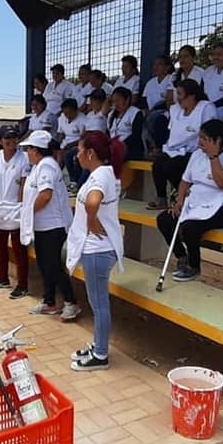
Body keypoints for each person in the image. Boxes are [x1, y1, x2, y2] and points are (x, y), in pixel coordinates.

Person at [156, 120, 223, 282]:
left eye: (205, 139)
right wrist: (179, 200)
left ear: (218, 140)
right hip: (196, 203)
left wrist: (213, 156)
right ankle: (182, 257)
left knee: (190, 227)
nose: (200, 143)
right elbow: (185, 181)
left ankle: (194, 266)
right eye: (200, 138)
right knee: (164, 219)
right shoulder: (197, 155)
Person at [66, 131, 126, 372]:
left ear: (90, 153)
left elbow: (92, 202)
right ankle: (97, 345)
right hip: (98, 248)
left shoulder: (101, 175)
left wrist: (91, 221)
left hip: (97, 250)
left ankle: (101, 355)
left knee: (99, 304)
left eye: (80, 150)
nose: (77, 155)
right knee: (97, 302)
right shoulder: (102, 173)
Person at [19, 130, 82, 320]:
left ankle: (71, 303)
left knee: (53, 266)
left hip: (53, 226)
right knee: (44, 265)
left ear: (36, 150)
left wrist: (27, 212)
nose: (27, 153)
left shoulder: (46, 166)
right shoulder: (38, 166)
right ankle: (49, 301)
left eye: (28, 149)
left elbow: (46, 195)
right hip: (42, 226)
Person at [148, 79, 217, 210]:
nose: (177, 98)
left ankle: (183, 194)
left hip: (196, 151)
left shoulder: (206, 108)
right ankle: (162, 199)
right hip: (174, 149)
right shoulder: (175, 110)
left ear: (192, 96)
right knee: (157, 165)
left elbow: (209, 132)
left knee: (171, 166)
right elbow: (172, 133)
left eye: (180, 94)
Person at [0, 125, 31, 298]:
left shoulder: (24, 158)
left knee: (19, 249)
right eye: (7, 138)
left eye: (14, 137)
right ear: (0, 141)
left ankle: (22, 284)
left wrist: (19, 206)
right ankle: (2, 277)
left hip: (16, 208)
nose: (11, 141)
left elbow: (23, 185)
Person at [143, 55, 175, 156]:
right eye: (155, 65)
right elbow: (144, 101)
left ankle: (159, 148)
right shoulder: (150, 83)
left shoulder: (171, 79)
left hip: (166, 110)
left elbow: (169, 100)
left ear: (167, 67)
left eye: (159, 64)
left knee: (158, 119)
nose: (155, 67)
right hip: (150, 112)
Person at [107, 87, 145, 161]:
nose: (116, 104)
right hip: (114, 148)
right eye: (114, 101)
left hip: (130, 149)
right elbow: (108, 132)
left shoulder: (135, 113)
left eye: (118, 100)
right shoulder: (111, 114)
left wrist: (121, 145)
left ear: (127, 100)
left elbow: (136, 135)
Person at [57, 98, 86, 190]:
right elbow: (60, 133)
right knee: (56, 157)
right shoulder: (62, 117)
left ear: (76, 110)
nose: (67, 116)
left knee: (68, 156)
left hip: (77, 144)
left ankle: (73, 181)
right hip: (65, 143)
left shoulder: (83, 119)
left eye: (70, 113)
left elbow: (83, 137)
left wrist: (70, 145)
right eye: (65, 114)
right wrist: (57, 145)